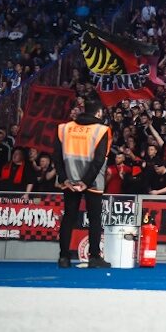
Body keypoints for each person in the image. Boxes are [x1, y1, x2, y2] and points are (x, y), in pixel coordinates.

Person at [52, 96, 112, 269]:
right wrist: (86, 181)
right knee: (94, 219)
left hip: (69, 179)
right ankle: (94, 257)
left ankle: (64, 258)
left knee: (69, 217)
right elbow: (99, 159)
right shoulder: (102, 130)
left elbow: (56, 157)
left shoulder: (64, 128)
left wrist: (64, 178)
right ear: (98, 113)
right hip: (92, 182)